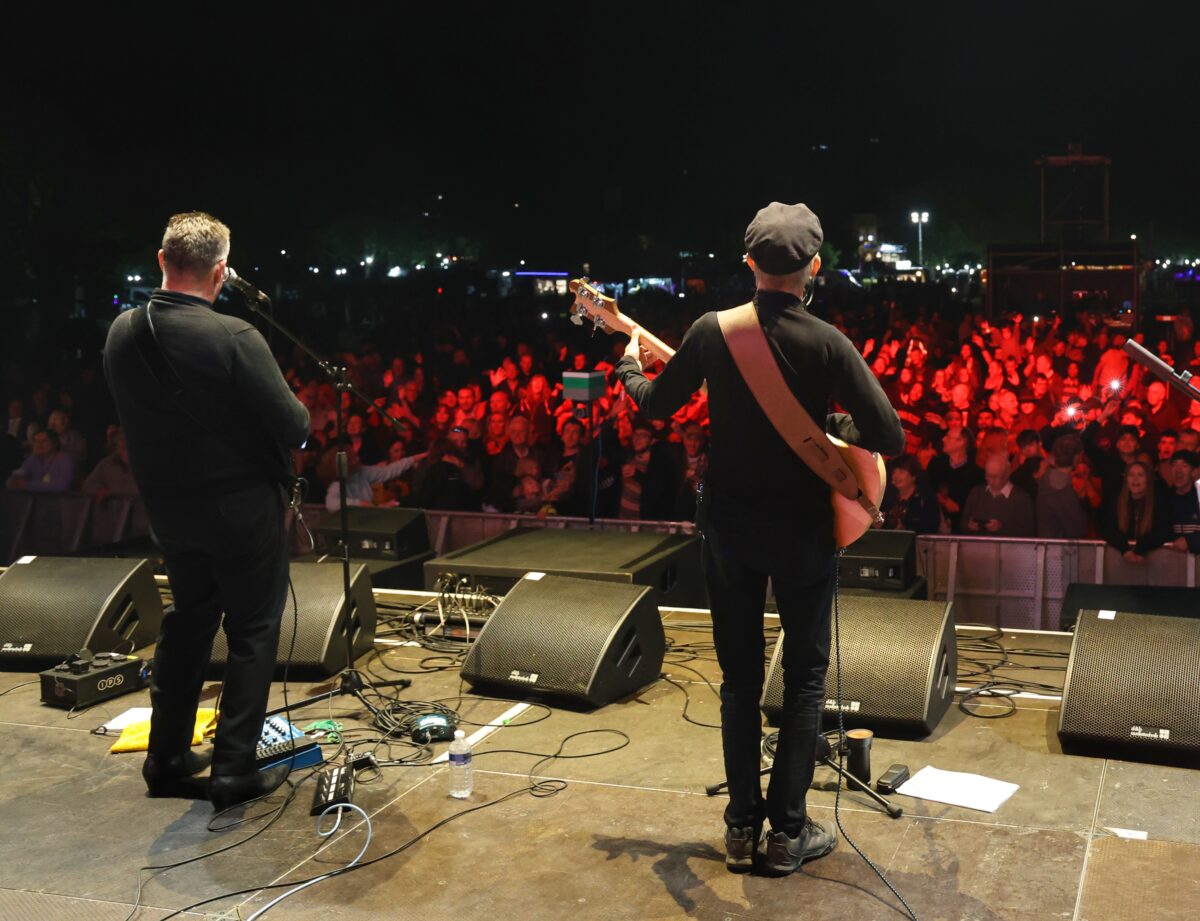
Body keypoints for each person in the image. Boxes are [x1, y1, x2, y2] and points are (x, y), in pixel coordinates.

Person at [615, 202, 904, 877]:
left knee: (739, 681)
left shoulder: (713, 331)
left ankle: (741, 828)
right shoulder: (828, 341)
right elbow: (887, 435)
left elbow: (656, 404)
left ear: (748, 263)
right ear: (815, 268)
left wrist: (630, 366)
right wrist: (834, 424)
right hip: (805, 531)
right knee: (803, 680)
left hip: (731, 532)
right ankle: (788, 835)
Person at [103, 212, 310, 810]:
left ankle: (165, 759)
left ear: (162, 259)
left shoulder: (123, 331)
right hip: (240, 507)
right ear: (221, 272)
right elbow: (294, 427)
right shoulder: (235, 337)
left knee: (189, 620)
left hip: (169, 509)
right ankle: (232, 770)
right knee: (252, 629)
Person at [961, 453, 1036, 537]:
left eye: (996, 477)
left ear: (1007, 473)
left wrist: (1001, 527)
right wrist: (968, 525)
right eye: (988, 476)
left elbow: (1028, 532)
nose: (991, 480)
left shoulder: (1022, 499)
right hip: (978, 547)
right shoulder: (977, 493)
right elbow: (961, 524)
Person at [1036, 434, 1088, 539]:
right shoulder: (1062, 490)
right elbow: (1077, 530)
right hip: (1059, 550)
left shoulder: (1045, 478)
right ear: (1078, 457)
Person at [6, 428, 74, 493]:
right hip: (37, 502)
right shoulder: (32, 460)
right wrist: (13, 480)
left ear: (54, 443)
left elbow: (62, 486)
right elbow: (18, 474)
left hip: (59, 502)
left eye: (44, 441)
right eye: (36, 441)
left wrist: (28, 485)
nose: (39, 444)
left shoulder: (64, 459)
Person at [1165, 450, 1200, 554]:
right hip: (1169, 563)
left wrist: (1190, 541)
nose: (1178, 470)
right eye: (1174, 465)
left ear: (1194, 472)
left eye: (1184, 466)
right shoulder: (1164, 498)